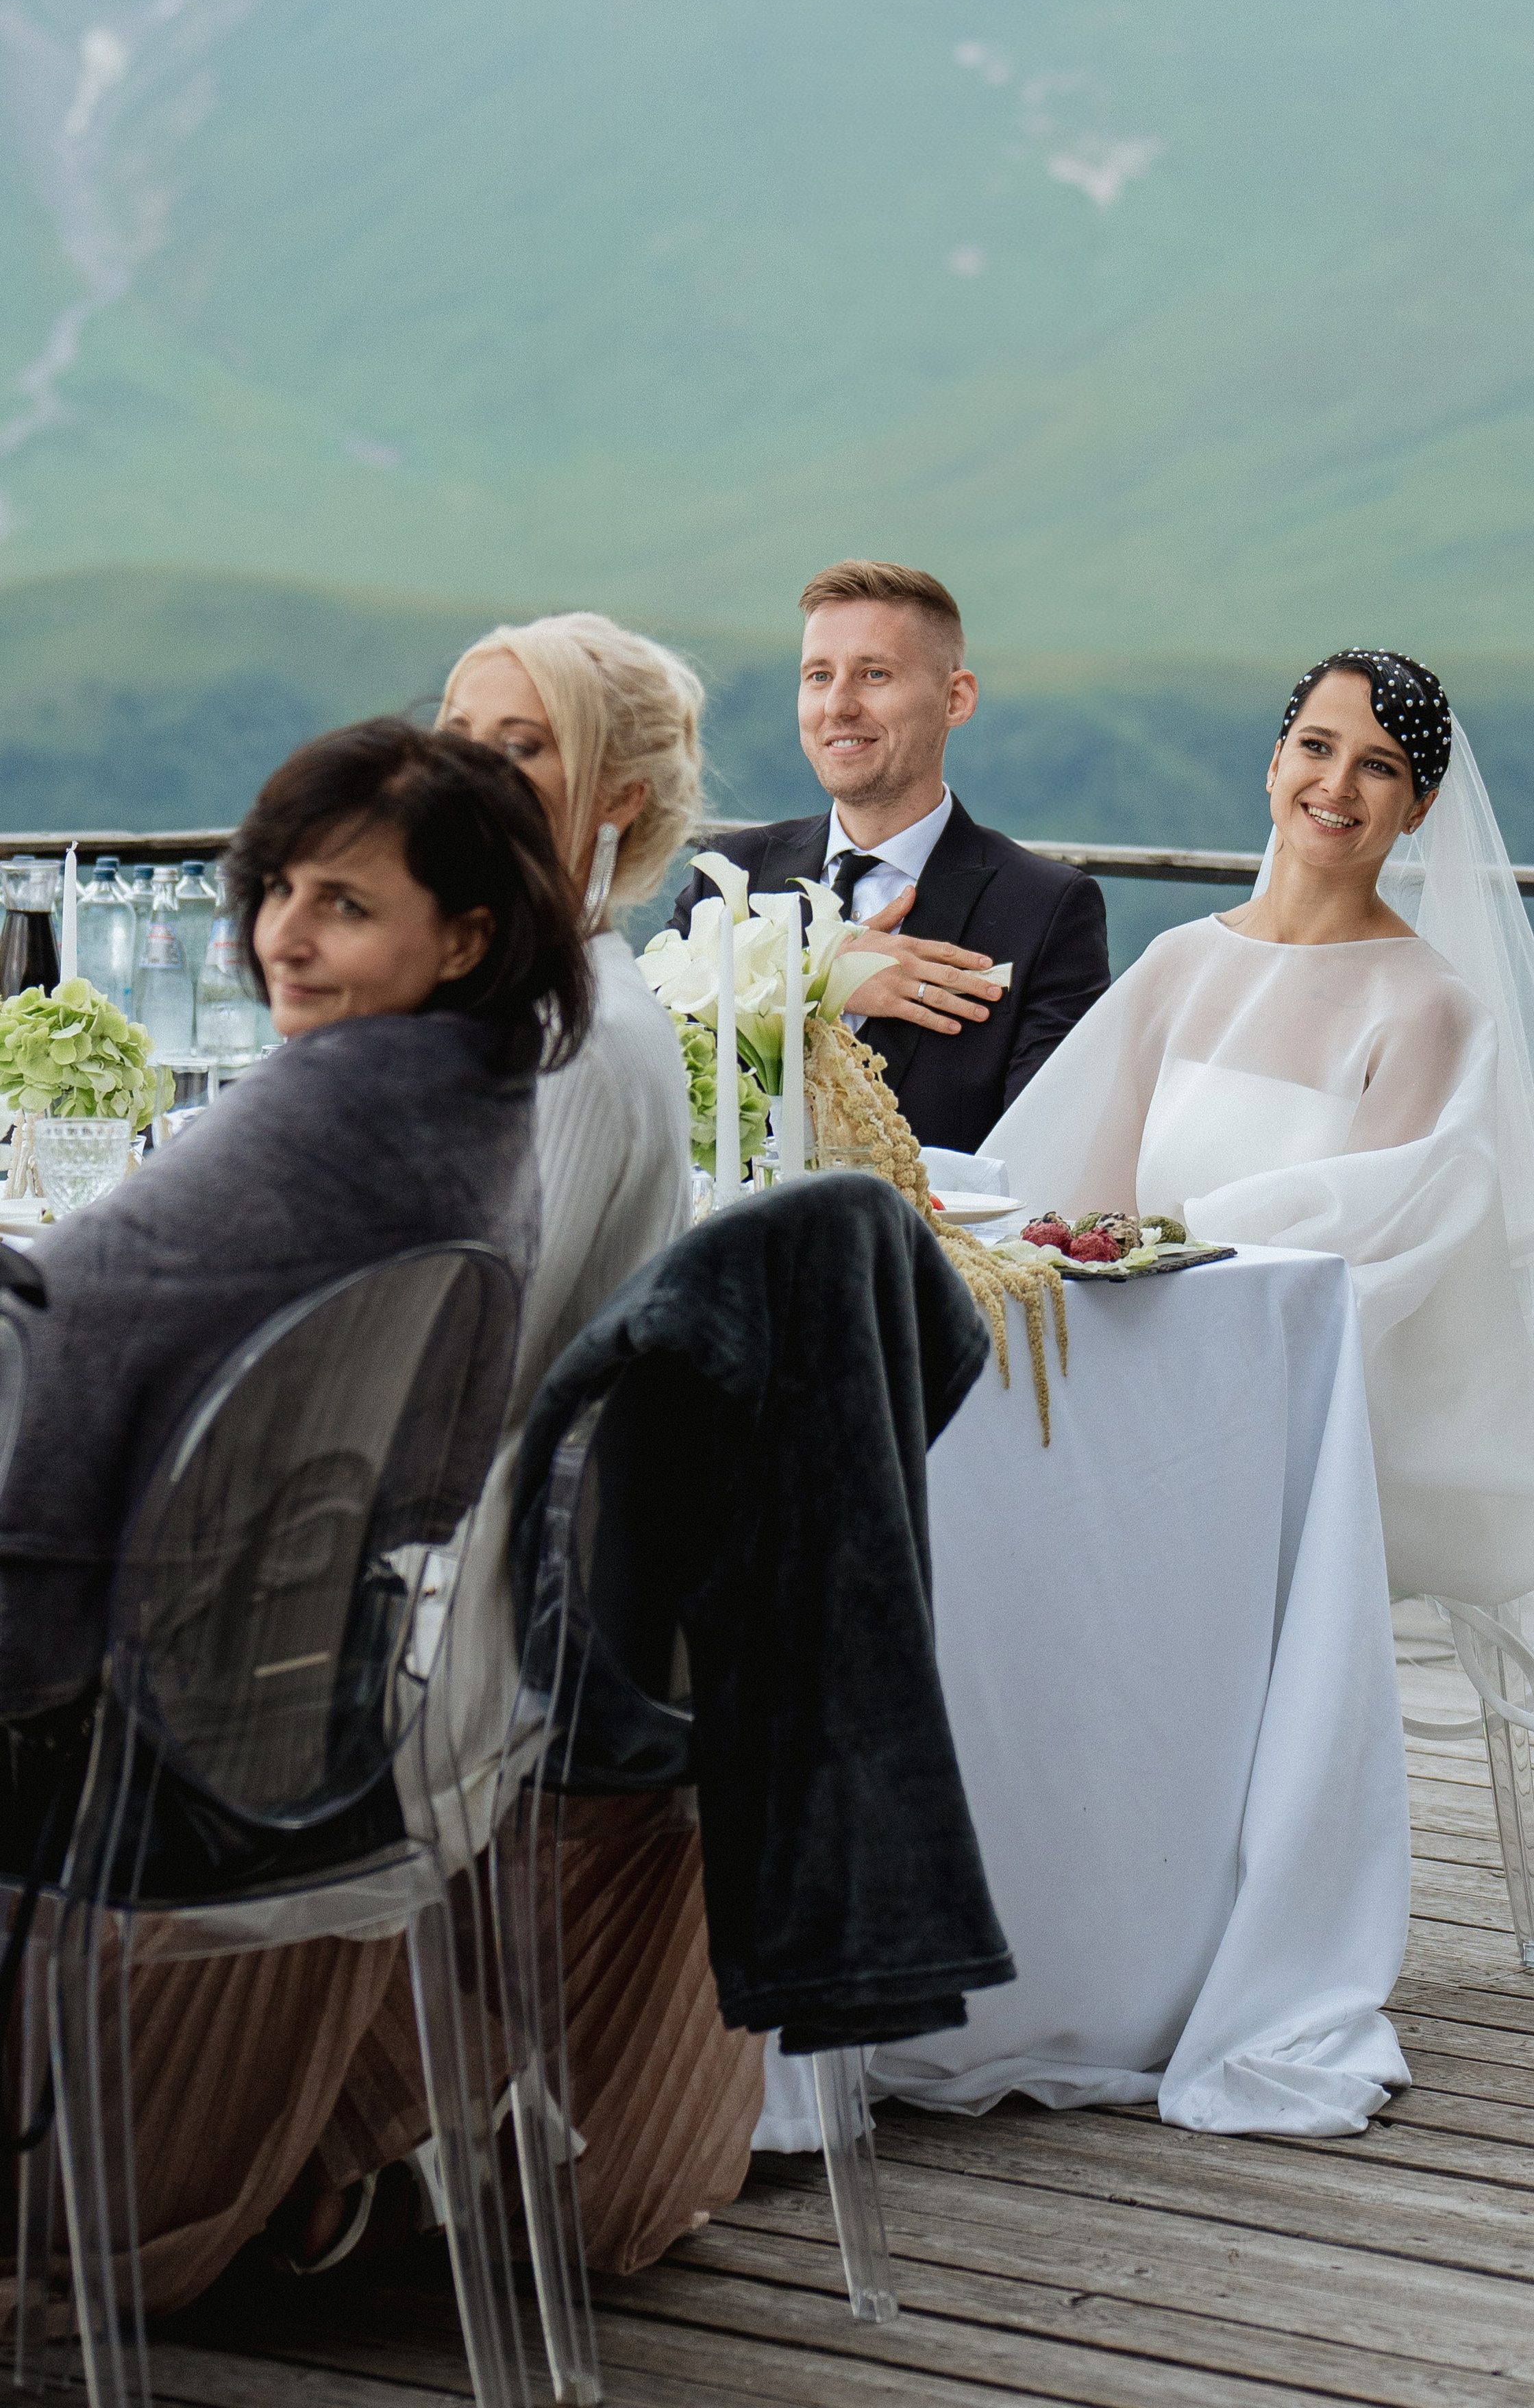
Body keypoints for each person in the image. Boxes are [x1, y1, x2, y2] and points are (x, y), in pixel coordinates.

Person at [0, 717, 587, 2322]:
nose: (284, 936)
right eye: (277, 890)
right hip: (298, 1701)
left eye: (345, 904)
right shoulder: (472, 1099)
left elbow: (79, 1317)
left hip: (111, 1726)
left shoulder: (334, 1110)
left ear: (463, 936)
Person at [304, 612, 767, 2283]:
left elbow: (463, 1370)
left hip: (459, 1575)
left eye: (522, 746)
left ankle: (245, 2132)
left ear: (618, 802)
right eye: (456, 731)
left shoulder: (567, 1037)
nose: (465, 770)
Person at [983, 651, 1534, 1731]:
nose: (1336, 785)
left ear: (1420, 808)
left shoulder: (1429, 1009)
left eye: (1379, 766)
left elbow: (1365, 1278)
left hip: (1302, 1397)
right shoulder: (1179, 964)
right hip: (1140, 1358)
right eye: (1317, 747)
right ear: (1274, 761)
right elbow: (1090, 1213)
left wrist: (1182, 1356)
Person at [669, 559, 1110, 1152]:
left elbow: (1043, 1152)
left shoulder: (1046, 909)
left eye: (874, 674)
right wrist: (819, 978)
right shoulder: (730, 875)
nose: (837, 705)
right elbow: (650, 1056)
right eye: (819, 676)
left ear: (956, 699)